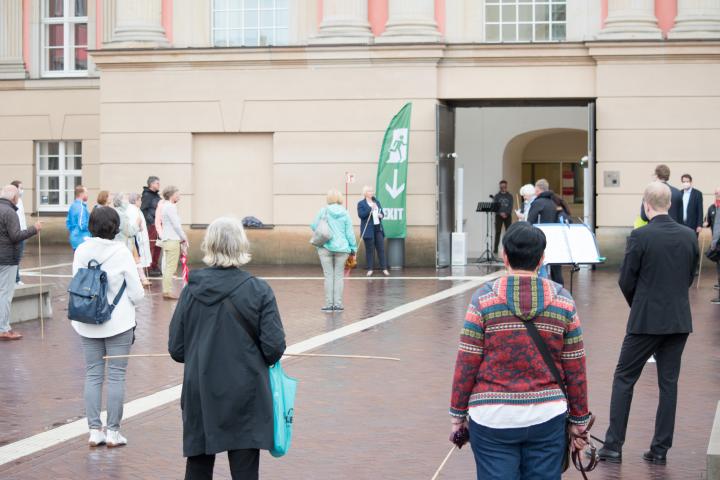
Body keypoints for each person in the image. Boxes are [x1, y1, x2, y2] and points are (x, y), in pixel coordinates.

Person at [449, 221, 589, 480]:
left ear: (505, 256)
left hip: (492, 416)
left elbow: (467, 362)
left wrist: (458, 415)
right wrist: (579, 421)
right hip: (547, 415)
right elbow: (575, 367)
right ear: (542, 259)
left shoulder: (483, 300)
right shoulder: (563, 300)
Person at [168, 217, 286, 480]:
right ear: (241, 246)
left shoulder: (191, 291)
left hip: (201, 389)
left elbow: (176, 348)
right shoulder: (259, 290)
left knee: (198, 466)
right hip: (245, 392)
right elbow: (274, 348)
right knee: (245, 470)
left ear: (210, 246)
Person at [597, 182, 698, 465]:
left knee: (624, 378)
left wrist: (640, 303)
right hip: (678, 321)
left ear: (646, 205)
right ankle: (660, 449)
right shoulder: (689, 236)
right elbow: (690, 276)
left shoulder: (640, 236)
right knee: (669, 385)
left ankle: (614, 445)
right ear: (670, 204)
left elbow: (625, 279)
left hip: (645, 321)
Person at [71, 206, 144, 447]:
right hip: (119, 322)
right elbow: (136, 292)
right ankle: (113, 432)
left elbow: (77, 284)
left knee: (92, 374)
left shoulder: (81, 250)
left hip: (87, 321)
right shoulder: (121, 252)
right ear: (115, 227)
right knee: (116, 376)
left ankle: (94, 430)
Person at [0, 185, 40, 341]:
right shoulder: (9, 212)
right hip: (7, 259)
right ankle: (3, 329)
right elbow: (16, 236)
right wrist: (34, 229)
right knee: (5, 294)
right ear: (14, 198)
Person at [311, 189, 357, 311]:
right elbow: (350, 233)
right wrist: (353, 248)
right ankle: (338, 304)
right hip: (342, 248)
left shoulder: (323, 211)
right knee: (338, 276)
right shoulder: (345, 213)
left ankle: (328, 304)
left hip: (325, 247)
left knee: (328, 276)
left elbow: (314, 226)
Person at [526, 179, 564, 286]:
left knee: (541, 266)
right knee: (556, 269)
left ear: (538, 190)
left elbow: (530, 222)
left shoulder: (537, 203)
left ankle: (542, 289)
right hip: (556, 239)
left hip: (541, 239)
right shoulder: (555, 201)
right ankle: (559, 290)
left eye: (535, 190)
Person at [113, 194, 150, 287]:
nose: (127, 202)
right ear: (120, 202)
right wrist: (137, 224)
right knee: (129, 264)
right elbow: (129, 231)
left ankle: (141, 279)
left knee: (136, 261)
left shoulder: (120, 212)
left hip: (126, 243)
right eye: (125, 199)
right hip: (125, 244)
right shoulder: (121, 214)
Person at [160, 186, 188, 300]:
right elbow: (176, 225)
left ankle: (166, 291)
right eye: (178, 194)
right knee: (171, 268)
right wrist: (183, 237)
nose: (179, 196)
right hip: (172, 239)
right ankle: (167, 292)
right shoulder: (171, 207)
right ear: (172, 195)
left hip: (167, 239)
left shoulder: (165, 206)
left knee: (168, 267)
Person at [357, 185, 389, 277]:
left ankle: (384, 268)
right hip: (368, 230)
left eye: (372, 191)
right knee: (370, 250)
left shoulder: (376, 201)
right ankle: (370, 269)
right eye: (370, 191)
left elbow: (382, 213)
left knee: (381, 249)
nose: (372, 193)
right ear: (365, 193)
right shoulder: (361, 204)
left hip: (378, 228)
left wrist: (381, 215)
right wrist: (370, 208)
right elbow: (361, 215)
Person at [128, 192, 152, 287]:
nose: (141, 202)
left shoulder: (134, 209)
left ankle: (141, 278)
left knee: (136, 260)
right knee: (137, 259)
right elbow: (136, 225)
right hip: (136, 239)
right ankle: (142, 279)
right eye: (140, 200)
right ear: (136, 200)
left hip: (136, 239)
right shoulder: (133, 210)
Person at [140, 176, 162, 277]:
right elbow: (143, 210)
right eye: (157, 183)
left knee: (158, 245)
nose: (159, 185)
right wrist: (152, 222)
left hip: (158, 225)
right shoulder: (147, 195)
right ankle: (148, 267)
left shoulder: (156, 196)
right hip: (152, 225)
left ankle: (154, 265)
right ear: (151, 184)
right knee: (151, 246)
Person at [9, 180, 26, 285]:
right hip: (17, 233)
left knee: (18, 257)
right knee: (16, 256)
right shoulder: (13, 201)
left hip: (22, 232)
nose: (22, 190)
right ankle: (16, 279)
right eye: (20, 188)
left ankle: (16, 278)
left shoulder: (20, 200)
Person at [704, 187, 720, 292]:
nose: (717, 195)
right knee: (718, 262)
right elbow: (707, 221)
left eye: (718, 193)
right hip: (716, 240)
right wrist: (705, 224)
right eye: (715, 193)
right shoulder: (712, 208)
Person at [492, 180, 513, 255]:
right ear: (500, 186)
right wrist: (500, 213)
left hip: (508, 216)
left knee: (508, 232)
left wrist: (506, 213)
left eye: (504, 186)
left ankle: (508, 249)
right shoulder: (497, 196)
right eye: (502, 186)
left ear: (506, 186)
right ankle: (495, 250)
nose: (503, 187)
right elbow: (495, 207)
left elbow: (510, 206)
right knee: (498, 232)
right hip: (498, 216)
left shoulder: (510, 196)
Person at [66, 185, 91, 250]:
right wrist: (92, 229)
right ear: (81, 194)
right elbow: (82, 225)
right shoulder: (81, 207)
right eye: (86, 193)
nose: (87, 195)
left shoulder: (73, 206)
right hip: (82, 240)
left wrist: (73, 233)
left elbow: (68, 222)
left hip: (74, 239)